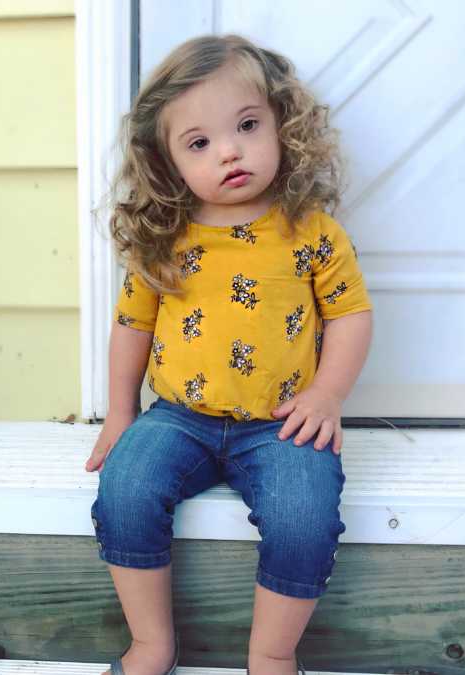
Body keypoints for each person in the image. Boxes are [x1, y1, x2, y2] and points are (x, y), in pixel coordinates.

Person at [84, 33, 374, 675]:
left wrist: (327, 395)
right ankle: (152, 644)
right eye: (200, 143)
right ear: (168, 162)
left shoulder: (312, 233)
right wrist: (120, 414)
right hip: (178, 417)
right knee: (126, 488)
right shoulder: (166, 239)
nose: (230, 151)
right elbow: (132, 323)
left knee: (304, 517)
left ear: (282, 125)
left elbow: (350, 314)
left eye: (247, 125)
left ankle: (272, 655)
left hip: (281, 422)